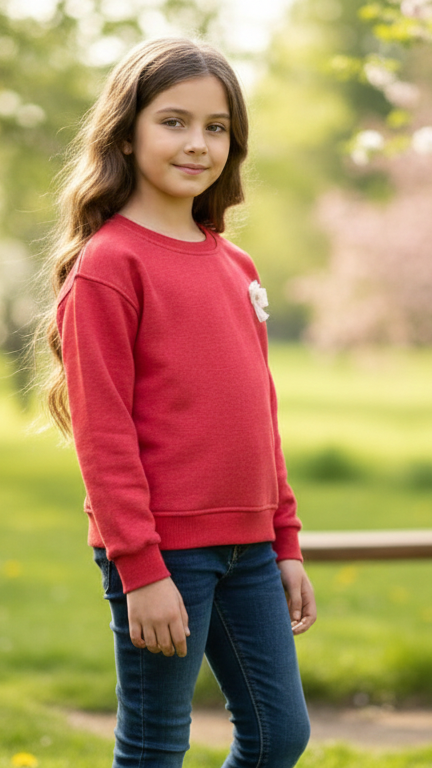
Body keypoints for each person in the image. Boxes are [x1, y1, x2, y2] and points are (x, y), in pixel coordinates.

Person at [45, 37, 316, 768]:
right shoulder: (110, 266)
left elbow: (260, 415)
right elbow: (104, 438)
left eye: (217, 126)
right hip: (163, 554)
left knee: (278, 735)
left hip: (251, 552)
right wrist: (140, 567)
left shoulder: (235, 263)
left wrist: (284, 539)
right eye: (174, 121)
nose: (198, 143)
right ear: (127, 134)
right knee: (157, 745)